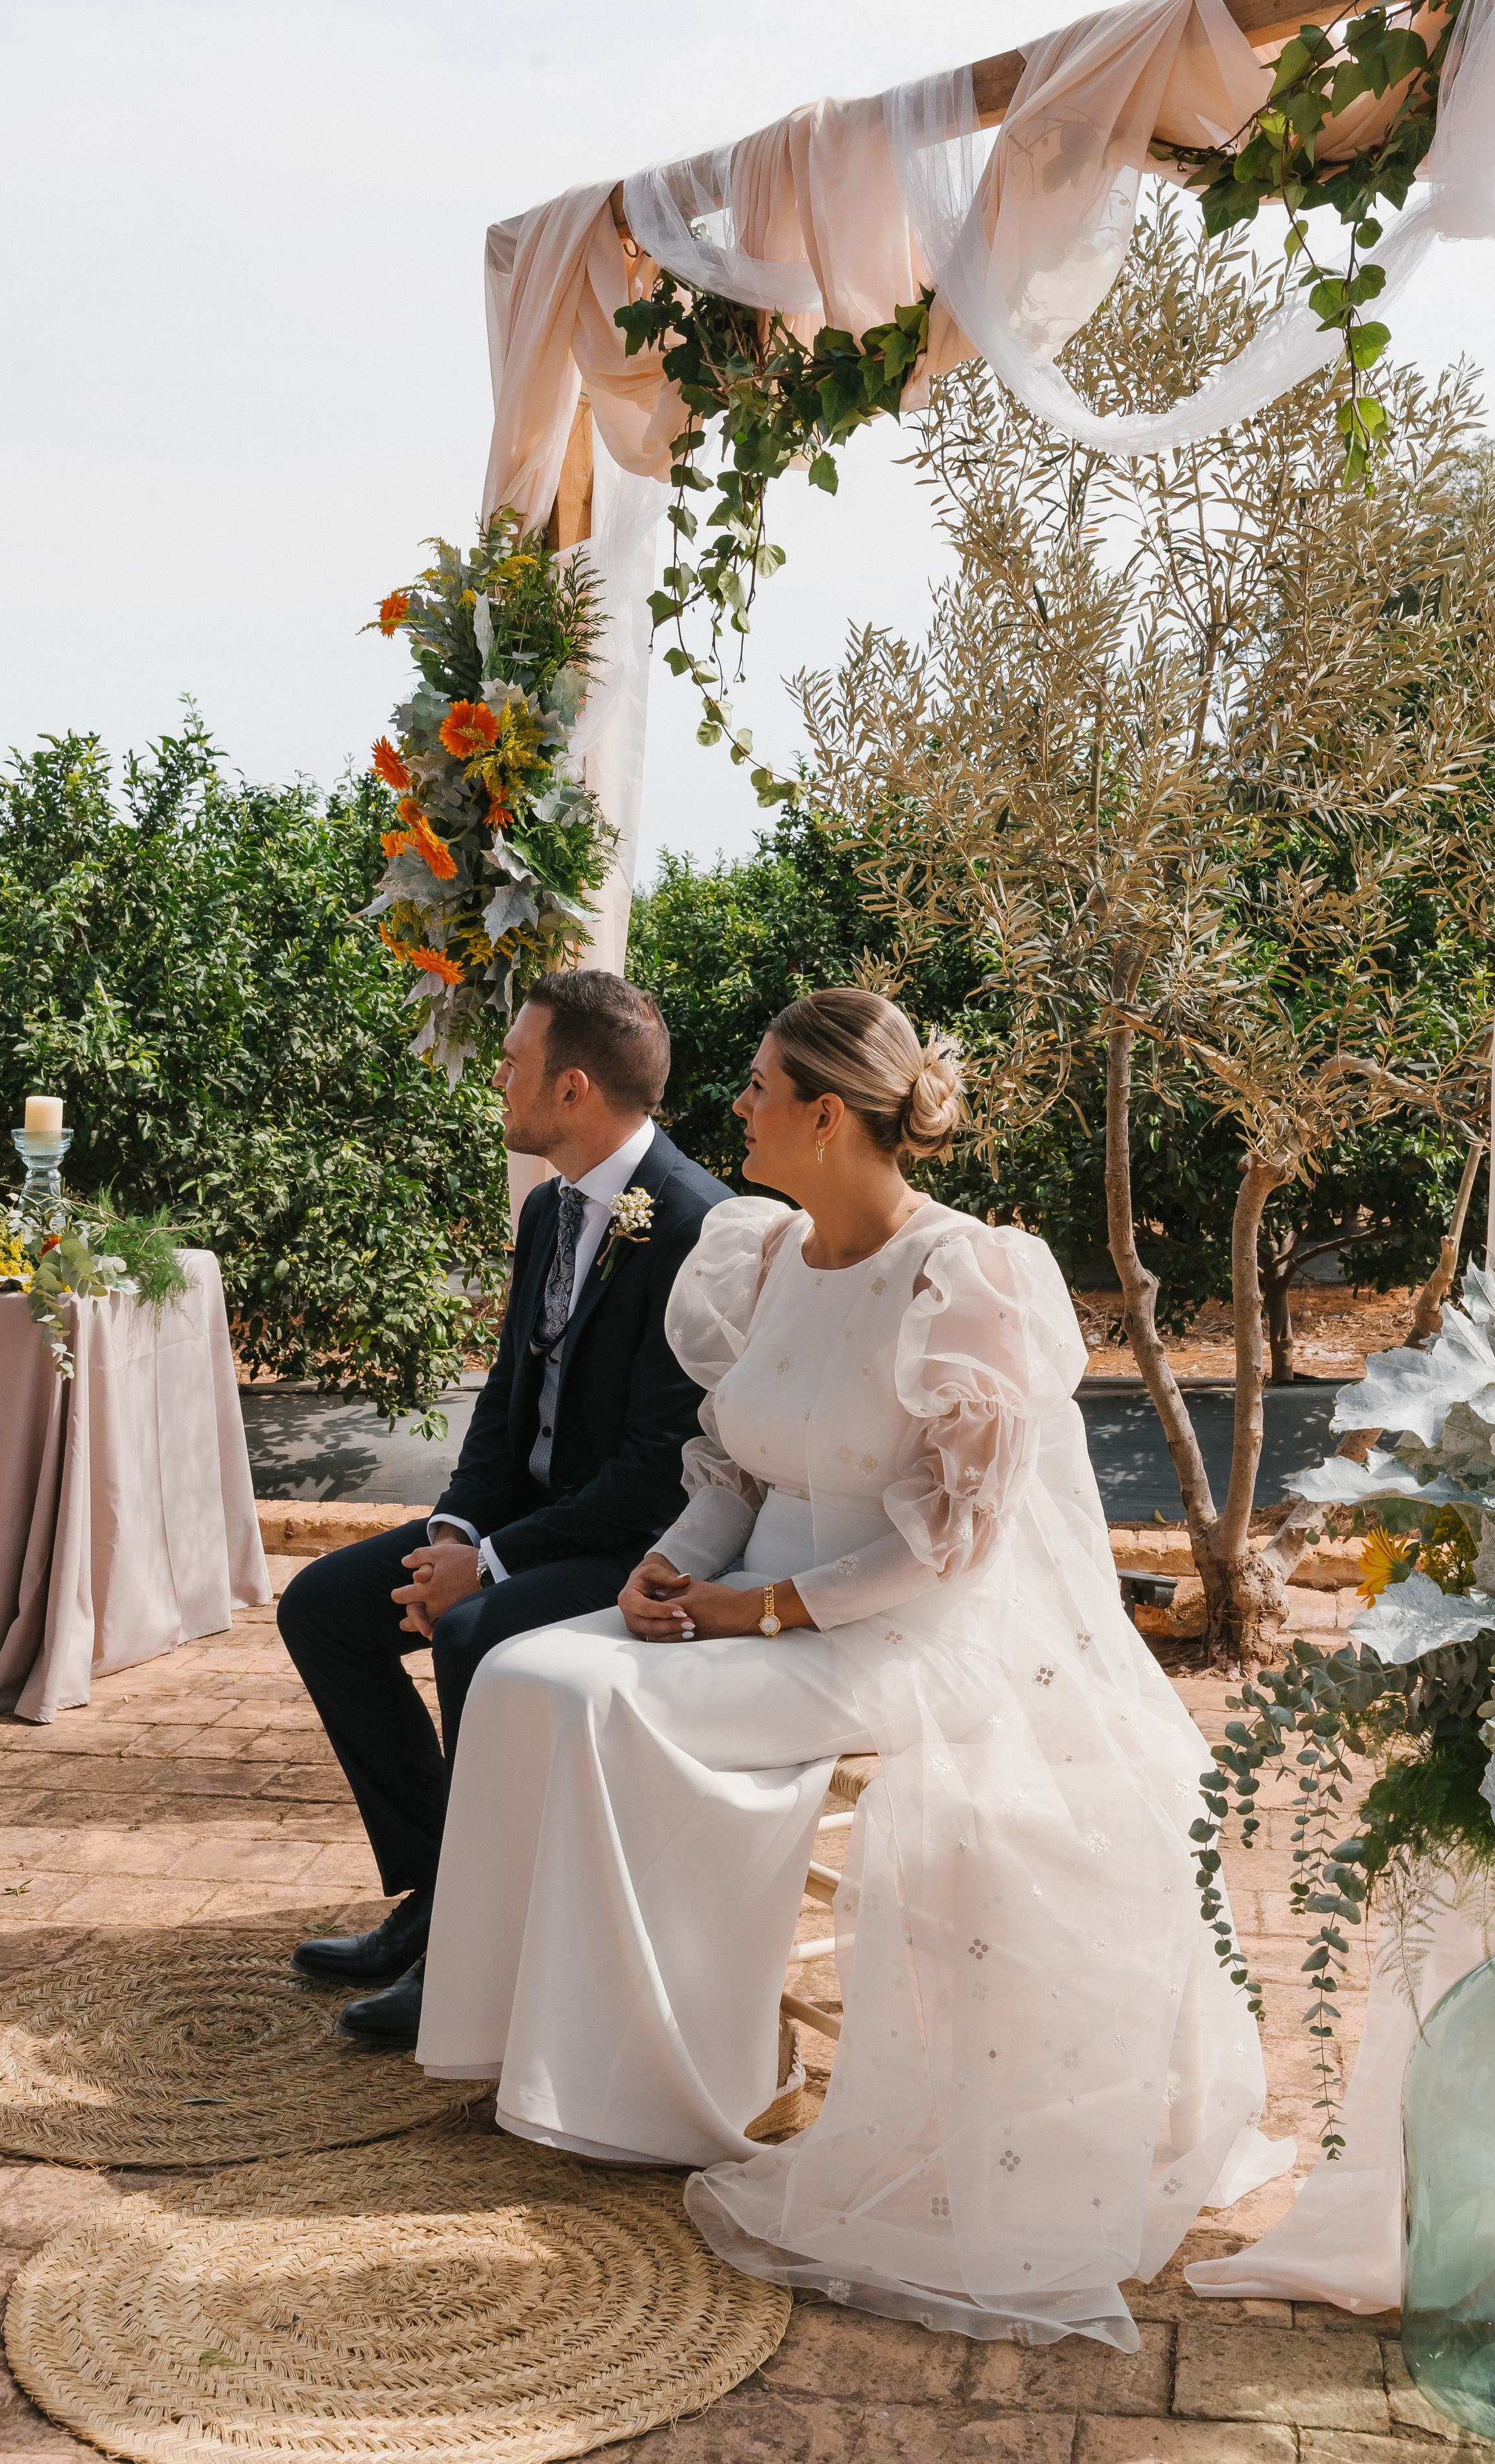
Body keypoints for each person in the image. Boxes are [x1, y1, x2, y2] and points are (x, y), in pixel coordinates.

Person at [415, 986, 1290, 2348]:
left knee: (593, 1699)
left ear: (825, 1115)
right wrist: (669, 1570)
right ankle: (525, 2041)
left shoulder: (963, 1277)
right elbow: (727, 1470)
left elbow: (948, 1542)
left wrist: (757, 1610)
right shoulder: (762, 1253)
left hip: (895, 1636)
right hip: (742, 1600)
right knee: (530, 1671)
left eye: (760, 1088)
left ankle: (668, 2090)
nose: (738, 1107)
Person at [277, 969, 730, 2042]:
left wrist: (490, 1567)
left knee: (473, 1629)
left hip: (633, 1548)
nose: (498, 1078)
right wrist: (454, 1532)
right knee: (322, 1608)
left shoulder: (696, 1225)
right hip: (522, 1525)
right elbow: (504, 1407)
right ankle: (438, 1893)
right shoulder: (547, 1206)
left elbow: (657, 1468)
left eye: (514, 1062)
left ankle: (475, 1949)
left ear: (573, 1088)